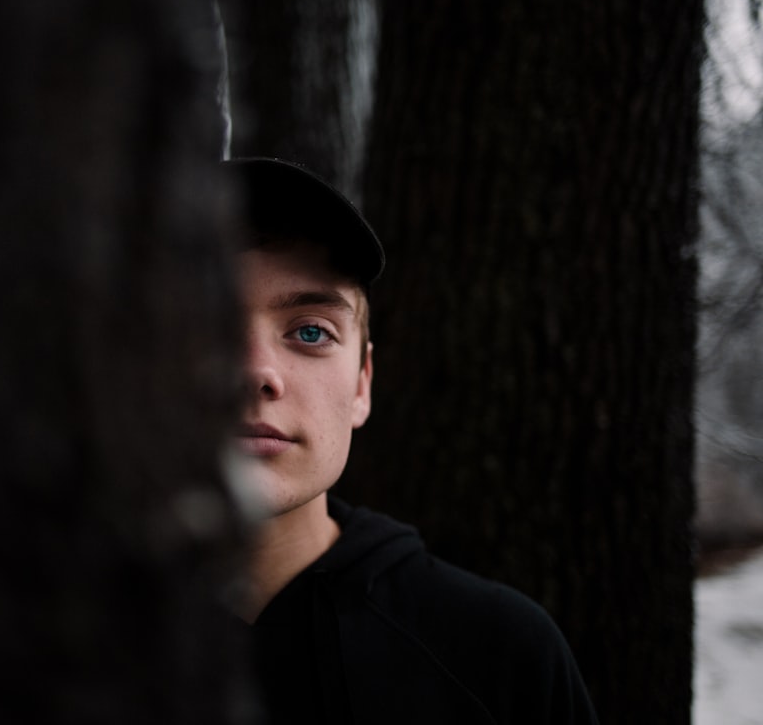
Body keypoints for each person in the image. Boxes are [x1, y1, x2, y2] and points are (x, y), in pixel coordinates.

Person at [222, 156, 600, 724]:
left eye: (309, 332)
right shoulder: (49, 641)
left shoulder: (502, 656)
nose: (257, 373)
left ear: (361, 385)